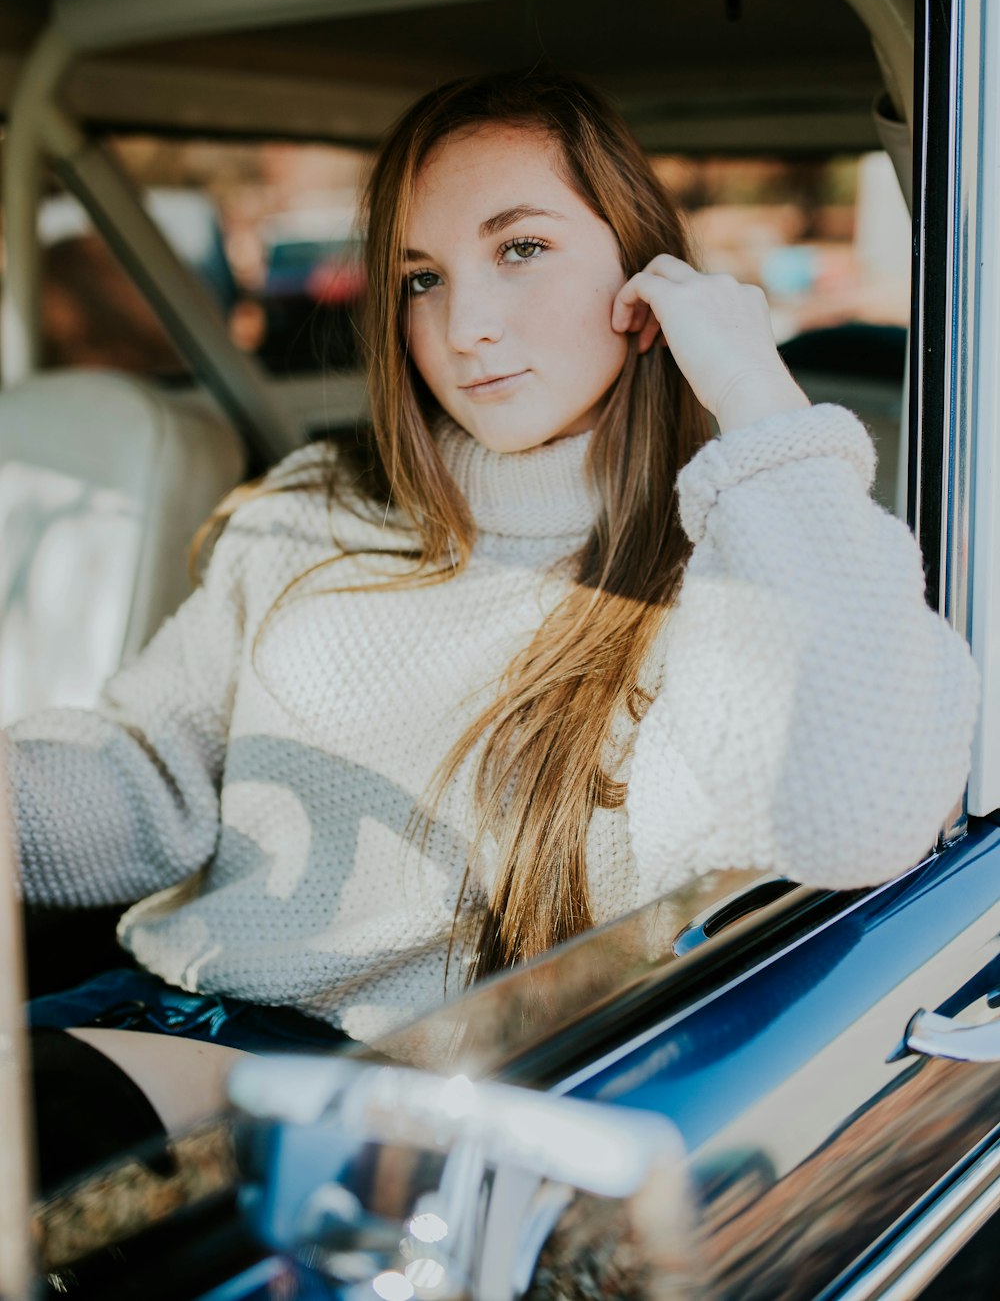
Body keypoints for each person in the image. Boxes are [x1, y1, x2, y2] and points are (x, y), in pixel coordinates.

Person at [4, 68, 978, 1190]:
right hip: (128, 1007)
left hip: (368, 1112)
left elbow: (857, 810)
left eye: (520, 249)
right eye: (422, 277)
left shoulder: (731, 562)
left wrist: (753, 390)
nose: (464, 326)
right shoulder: (320, 501)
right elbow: (147, 778)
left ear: (640, 272)